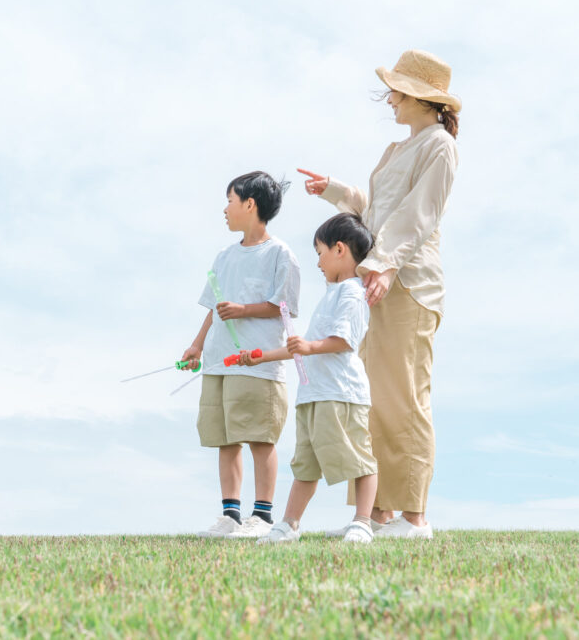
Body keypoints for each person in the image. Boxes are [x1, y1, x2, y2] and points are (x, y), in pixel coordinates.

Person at [298, 49, 461, 539]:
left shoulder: (439, 145)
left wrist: (383, 264)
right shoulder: (397, 150)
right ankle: (377, 515)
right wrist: (335, 191)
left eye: (396, 91)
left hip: (408, 284)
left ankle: (414, 518)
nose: (389, 99)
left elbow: (419, 214)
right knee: (372, 399)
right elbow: (376, 207)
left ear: (420, 98)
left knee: (405, 397)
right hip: (378, 282)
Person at [238, 212, 378, 544]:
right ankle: (289, 524)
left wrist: (310, 345)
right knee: (305, 466)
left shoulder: (353, 294)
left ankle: (362, 522)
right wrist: (260, 357)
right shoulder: (332, 294)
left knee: (358, 458)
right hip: (314, 396)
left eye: (320, 253)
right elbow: (303, 348)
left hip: (341, 395)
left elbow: (343, 341)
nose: (317, 263)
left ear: (339, 249)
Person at [180, 171, 300, 539]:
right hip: (218, 361)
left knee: (260, 438)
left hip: (257, 363)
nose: (225, 209)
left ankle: (261, 516)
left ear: (250, 205)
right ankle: (229, 515)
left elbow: (285, 307)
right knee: (225, 438)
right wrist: (197, 345)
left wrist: (244, 309)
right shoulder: (224, 255)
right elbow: (213, 308)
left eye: (229, 201)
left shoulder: (281, 254)